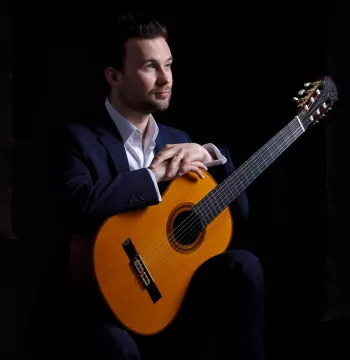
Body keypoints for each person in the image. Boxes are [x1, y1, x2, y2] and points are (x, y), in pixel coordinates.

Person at [29, 14, 265, 360]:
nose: (165, 78)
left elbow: (239, 212)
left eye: (168, 65)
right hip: (96, 306)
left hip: (169, 301)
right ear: (114, 76)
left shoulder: (178, 141)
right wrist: (151, 175)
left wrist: (210, 153)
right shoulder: (75, 138)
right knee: (118, 349)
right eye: (150, 67)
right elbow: (76, 206)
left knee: (244, 265)